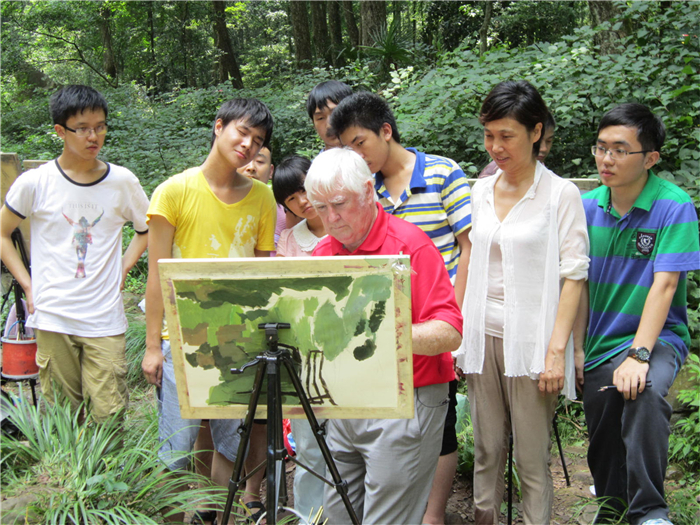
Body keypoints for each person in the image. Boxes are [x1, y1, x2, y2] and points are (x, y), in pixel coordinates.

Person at [328, 90, 472, 525]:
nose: (354, 155)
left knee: (437, 432)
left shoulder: (443, 173)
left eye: (359, 143)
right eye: (345, 147)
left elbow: (468, 249)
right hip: (379, 349)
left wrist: (450, 330)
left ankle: (433, 514)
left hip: (433, 314)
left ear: (385, 132)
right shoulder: (361, 191)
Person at [455, 80, 590, 525]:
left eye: (506, 135)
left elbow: (574, 276)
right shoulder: (480, 190)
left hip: (533, 343)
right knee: (488, 450)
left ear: (535, 132)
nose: (495, 146)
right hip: (483, 335)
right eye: (489, 135)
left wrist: (558, 351)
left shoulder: (560, 194)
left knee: (531, 460)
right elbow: (470, 260)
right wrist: (459, 335)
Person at [141, 98, 276, 524]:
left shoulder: (263, 199)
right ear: (219, 127)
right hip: (180, 342)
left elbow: (260, 278)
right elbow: (157, 275)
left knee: (230, 449)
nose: (248, 145)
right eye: (242, 132)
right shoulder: (174, 191)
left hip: (236, 344)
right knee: (176, 453)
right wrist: (152, 346)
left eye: (257, 141)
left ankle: (216, 519)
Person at [574, 103, 700, 525]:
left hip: (658, 337)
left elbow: (664, 285)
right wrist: (574, 348)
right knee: (604, 421)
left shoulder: (673, 205)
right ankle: (611, 508)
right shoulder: (585, 208)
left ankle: (650, 511)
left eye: (620, 150)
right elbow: (571, 285)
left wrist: (639, 355)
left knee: (643, 393)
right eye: (601, 147)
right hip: (597, 341)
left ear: (650, 158)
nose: (606, 159)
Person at [0, 85, 149, 423]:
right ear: (60, 131)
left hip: (104, 317)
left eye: (100, 126)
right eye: (82, 128)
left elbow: (147, 230)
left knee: (109, 414)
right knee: (64, 417)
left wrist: (124, 267)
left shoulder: (122, 182)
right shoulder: (35, 183)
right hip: (53, 314)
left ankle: (108, 476)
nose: (93, 136)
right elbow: (2, 233)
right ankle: (71, 475)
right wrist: (27, 285)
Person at [271, 155, 328, 519]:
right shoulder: (291, 239)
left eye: (305, 189)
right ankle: (310, 515)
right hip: (304, 352)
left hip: (347, 351)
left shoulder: (347, 227)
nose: (303, 201)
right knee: (308, 442)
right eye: (292, 198)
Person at [479, 110, 556, 178]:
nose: (543, 148)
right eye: (489, 136)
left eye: (548, 141)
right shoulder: (490, 176)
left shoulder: (555, 185)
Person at [306, 80, 353, 151]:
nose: (329, 125)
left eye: (335, 113)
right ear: (314, 125)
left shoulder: (372, 159)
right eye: (321, 118)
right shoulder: (316, 162)